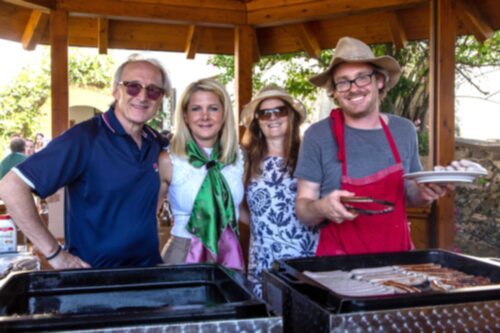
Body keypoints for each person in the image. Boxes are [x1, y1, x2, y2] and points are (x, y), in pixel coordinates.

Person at [0, 55, 172, 269]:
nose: (143, 96)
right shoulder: (85, 138)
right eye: (133, 87)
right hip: (94, 281)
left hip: (148, 276)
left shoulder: (156, 143)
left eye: (153, 89)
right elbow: (11, 187)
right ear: (116, 91)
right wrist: (55, 254)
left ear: (161, 98)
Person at [295, 36, 455, 256]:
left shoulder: (404, 130)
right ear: (335, 90)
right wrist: (322, 207)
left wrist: (426, 191)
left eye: (362, 78)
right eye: (343, 81)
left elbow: (410, 195)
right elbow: (303, 209)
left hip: (397, 262)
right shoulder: (318, 135)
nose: (353, 88)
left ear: (379, 80)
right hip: (338, 267)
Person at [157, 78, 245, 270]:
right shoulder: (168, 159)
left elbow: (244, 209)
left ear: (223, 115)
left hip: (229, 253)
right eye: (196, 109)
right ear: (186, 116)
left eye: (213, 108)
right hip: (184, 252)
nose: (205, 116)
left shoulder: (238, 157)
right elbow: (146, 217)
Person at [240, 85, 319, 297]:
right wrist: (263, 224)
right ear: (257, 120)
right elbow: (237, 205)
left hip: (306, 259)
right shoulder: (246, 160)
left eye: (279, 110)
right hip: (264, 261)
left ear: (290, 116)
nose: (272, 117)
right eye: (264, 113)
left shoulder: (309, 154)